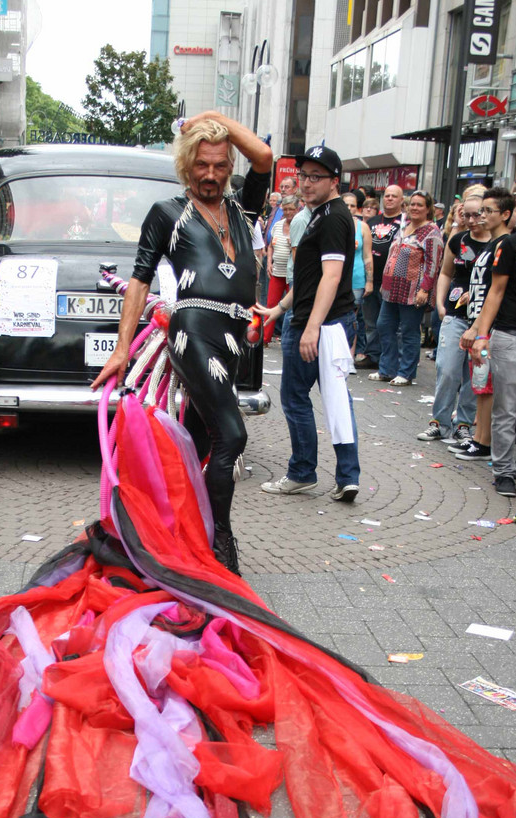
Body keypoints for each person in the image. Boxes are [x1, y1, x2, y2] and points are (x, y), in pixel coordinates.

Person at [90, 110, 272, 573]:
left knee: (196, 441)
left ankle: (171, 537)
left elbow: (266, 156)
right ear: (186, 165)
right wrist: (120, 349)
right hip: (193, 330)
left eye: (219, 165)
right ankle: (220, 548)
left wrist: (217, 120)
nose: (211, 175)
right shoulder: (167, 213)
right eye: (201, 165)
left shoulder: (242, 209)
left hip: (235, 338)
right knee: (232, 434)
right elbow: (138, 280)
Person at [257, 144, 361, 503]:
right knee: (336, 399)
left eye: (316, 177)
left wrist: (311, 327)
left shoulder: (332, 217)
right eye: (302, 175)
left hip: (320, 324)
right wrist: (279, 308)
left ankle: (303, 472)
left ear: (334, 180)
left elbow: (330, 278)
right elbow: (308, 278)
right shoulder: (322, 214)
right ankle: (347, 476)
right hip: (321, 320)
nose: (306, 182)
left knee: (296, 397)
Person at [469, 184, 516, 497]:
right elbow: (495, 293)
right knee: (506, 410)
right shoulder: (513, 245)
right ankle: (504, 472)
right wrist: (481, 334)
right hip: (512, 337)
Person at [417, 194, 490, 446]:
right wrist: (440, 303)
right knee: (446, 370)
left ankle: (463, 425)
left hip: (482, 319)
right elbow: (446, 272)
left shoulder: (498, 244)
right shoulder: (458, 240)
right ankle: (439, 422)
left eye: (476, 214)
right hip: (454, 314)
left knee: (473, 375)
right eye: (465, 215)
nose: (470, 220)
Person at [452, 187, 514, 462]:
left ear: (505, 214)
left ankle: (484, 441)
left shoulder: (505, 244)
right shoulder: (492, 244)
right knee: (479, 381)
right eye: (481, 211)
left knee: (486, 383)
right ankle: (478, 438)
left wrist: (478, 327)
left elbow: (496, 292)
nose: (481, 216)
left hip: (487, 327)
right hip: (476, 319)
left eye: (488, 211)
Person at [370, 189, 443, 386]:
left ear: (428, 209)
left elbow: (433, 264)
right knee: (384, 326)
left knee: (409, 331)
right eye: (412, 204)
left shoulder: (432, 232)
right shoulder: (405, 227)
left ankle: (406, 372)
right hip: (391, 288)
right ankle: (386, 369)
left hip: (413, 291)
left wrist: (425, 290)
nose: (415, 208)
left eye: (420, 205)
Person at [358, 184, 404, 370]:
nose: (390, 199)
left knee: (390, 323)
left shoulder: (405, 223)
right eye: (387, 195)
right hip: (371, 277)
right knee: (370, 321)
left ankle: (393, 358)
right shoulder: (372, 221)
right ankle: (373, 355)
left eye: (394, 196)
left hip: (393, 280)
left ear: (401, 200)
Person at [263, 194, 298, 344]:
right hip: (277, 271)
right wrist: (269, 262)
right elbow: (270, 245)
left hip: (292, 274)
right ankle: (264, 338)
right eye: (286, 209)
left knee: (290, 308)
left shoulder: (300, 224)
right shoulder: (278, 224)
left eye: (291, 209)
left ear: (297, 210)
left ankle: (288, 338)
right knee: (271, 304)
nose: (288, 212)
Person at [342, 191, 372, 362]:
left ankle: (349, 356)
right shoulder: (335, 223)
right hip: (337, 277)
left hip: (357, 277)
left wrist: (369, 282)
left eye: (353, 205)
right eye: (346, 204)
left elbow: (367, 256)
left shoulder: (363, 227)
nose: (349, 208)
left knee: (352, 318)